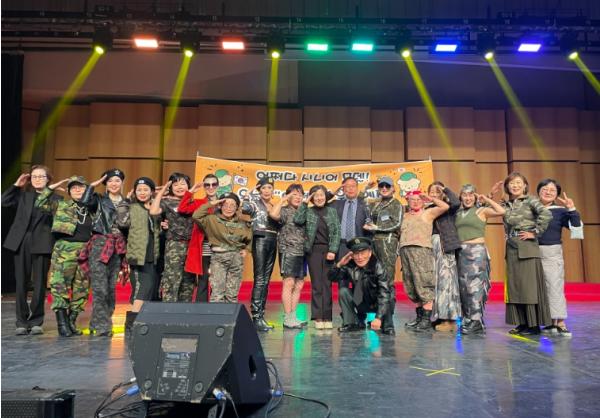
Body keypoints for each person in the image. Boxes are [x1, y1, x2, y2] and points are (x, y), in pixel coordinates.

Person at [2, 166, 60, 336]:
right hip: (22, 241)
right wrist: (16, 185)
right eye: (34, 176)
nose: (37, 179)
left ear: (48, 179)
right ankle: (21, 321)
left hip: (42, 241)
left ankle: (36, 321)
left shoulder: (55, 198)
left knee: (40, 283)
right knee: (21, 282)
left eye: (41, 176)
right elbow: (3, 201)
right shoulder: (23, 196)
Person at [36, 175, 94, 337]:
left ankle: (71, 321)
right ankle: (62, 323)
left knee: (82, 288)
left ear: (87, 190)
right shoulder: (61, 205)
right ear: (68, 191)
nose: (77, 189)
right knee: (60, 285)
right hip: (64, 249)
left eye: (81, 187)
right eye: (73, 187)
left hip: (86, 250)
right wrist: (51, 187)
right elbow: (39, 203)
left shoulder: (92, 208)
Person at [77, 169, 128, 337]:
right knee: (100, 289)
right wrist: (91, 187)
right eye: (110, 181)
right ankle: (102, 327)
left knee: (111, 290)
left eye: (117, 180)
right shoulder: (98, 199)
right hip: (100, 245)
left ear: (122, 183)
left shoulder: (126, 202)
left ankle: (97, 323)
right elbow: (83, 203)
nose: (114, 184)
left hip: (118, 247)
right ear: (105, 184)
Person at [500, 172, 552, 335]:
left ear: (524, 186)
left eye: (518, 183)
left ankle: (533, 324)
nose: (514, 186)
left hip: (527, 248)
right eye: (511, 183)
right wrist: (491, 194)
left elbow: (546, 214)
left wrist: (535, 232)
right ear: (507, 186)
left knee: (528, 288)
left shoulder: (530, 200)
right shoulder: (506, 204)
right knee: (516, 288)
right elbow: (485, 207)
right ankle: (522, 323)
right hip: (512, 248)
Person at [454, 184, 505, 335]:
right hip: (461, 252)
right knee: (464, 287)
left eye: (471, 195)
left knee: (475, 286)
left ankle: (476, 321)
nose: (468, 198)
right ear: (461, 197)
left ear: (475, 196)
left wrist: (487, 199)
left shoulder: (481, 211)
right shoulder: (459, 212)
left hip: (476, 252)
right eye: (465, 195)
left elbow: (501, 211)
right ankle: (470, 318)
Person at [536, 179, 583, 337]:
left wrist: (572, 209)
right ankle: (549, 323)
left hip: (551, 252)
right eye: (545, 189)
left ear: (556, 195)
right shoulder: (531, 208)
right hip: (531, 252)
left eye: (552, 190)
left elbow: (576, 230)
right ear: (538, 191)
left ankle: (560, 322)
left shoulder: (560, 211)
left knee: (554, 287)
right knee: (538, 289)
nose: (548, 192)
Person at [399, 191, 449, 332]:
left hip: (421, 251)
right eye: (412, 199)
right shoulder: (404, 216)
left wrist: (430, 198)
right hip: (405, 251)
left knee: (424, 284)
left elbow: (445, 207)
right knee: (412, 285)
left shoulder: (428, 213)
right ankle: (420, 318)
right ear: (408, 201)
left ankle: (426, 320)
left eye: (418, 199)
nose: (415, 202)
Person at [116, 177, 160, 334]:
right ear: (134, 192)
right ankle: (131, 325)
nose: (142, 192)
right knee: (142, 287)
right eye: (139, 190)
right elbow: (122, 223)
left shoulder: (155, 207)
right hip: (137, 255)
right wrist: (125, 201)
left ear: (151, 191)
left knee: (148, 289)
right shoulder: (132, 207)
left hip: (152, 255)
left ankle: (140, 324)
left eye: (145, 189)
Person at [293, 185, 341, 330]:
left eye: (321, 195)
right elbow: (297, 220)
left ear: (326, 196)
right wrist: (304, 203)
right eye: (316, 195)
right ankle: (318, 317)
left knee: (327, 284)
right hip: (313, 251)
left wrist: (333, 250)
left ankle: (327, 317)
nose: (319, 198)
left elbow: (336, 232)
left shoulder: (332, 211)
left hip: (328, 251)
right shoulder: (308, 211)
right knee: (317, 285)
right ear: (312, 197)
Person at [193, 193, 252, 303]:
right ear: (220, 206)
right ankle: (217, 315)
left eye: (232, 205)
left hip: (236, 259)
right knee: (217, 293)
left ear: (237, 207)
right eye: (225, 205)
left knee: (232, 295)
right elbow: (196, 215)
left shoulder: (242, 223)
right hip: (218, 259)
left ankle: (230, 315)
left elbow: (250, 238)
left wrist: (247, 249)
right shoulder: (211, 219)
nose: (229, 208)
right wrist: (212, 203)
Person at [329, 237, 395, 335]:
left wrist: (378, 318)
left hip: (377, 304)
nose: (360, 257)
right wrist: (339, 264)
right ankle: (352, 323)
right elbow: (332, 278)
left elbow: (384, 293)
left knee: (390, 294)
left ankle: (387, 325)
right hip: (360, 302)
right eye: (356, 254)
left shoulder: (378, 266)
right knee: (343, 291)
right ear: (352, 255)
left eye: (363, 253)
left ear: (370, 253)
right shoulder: (350, 266)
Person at [362, 176, 403, 333]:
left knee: (387, 282)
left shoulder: (396, 204)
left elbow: (397, 224)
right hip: (374, 244)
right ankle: (379, 316)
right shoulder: (377, 203)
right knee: (375, 281)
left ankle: (388, 322)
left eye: (387, 186)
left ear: (393, 189)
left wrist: (377, 228)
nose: (384, 188)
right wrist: (366, 188)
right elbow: (361, 202)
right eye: (381, 186)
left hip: (388, 244)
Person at [242, 177, 280, 331]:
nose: (267, 191)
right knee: (259, 279)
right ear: (259, 190)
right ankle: (256, 316)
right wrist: (249, 193)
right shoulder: (254, 203)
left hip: (273, 239)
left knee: (266, 280)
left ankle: (261, 316)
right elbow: (244, 208)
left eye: (269, 187)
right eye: (263, 188)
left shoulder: (274, 205)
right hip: (260, 238)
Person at [150, 173, 195, 302]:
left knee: (188, 282)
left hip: (192, 246)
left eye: (183, 184)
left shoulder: (193, 202)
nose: (179, 187)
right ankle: (168, 309)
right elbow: (153, 211)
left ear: (188, 186)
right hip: (175, 245)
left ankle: (184, 311)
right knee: (172, 279)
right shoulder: (167, 202)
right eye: (175, 185)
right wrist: (163, 190)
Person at [268, 184, 308, 329]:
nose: (297, 197)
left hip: (303, 252)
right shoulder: (284, 210)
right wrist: (283, 199)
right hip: (288, 250)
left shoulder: (304, 211)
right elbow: (273, 215)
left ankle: (293, 316)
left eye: (300, 195)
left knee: (299, 285)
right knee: (289, 283)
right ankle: (287, 318)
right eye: (294, 194)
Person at [426, 181, 462, 332]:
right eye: (432, 192)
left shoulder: (449, 207)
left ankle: (450, 319)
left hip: (445, 246)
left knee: (448, 282)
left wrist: (445, 188)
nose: (434, 194)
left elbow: (456, 202)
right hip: (432, 247)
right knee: (437, 282)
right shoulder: (428, 209)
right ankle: (440, 316)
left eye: (437, 191)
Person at [177, 174, 219, 302]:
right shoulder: (199, 202)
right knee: (203, 279)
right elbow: (182, 208)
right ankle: (202, 309)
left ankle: (217, 309)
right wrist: (190, 192)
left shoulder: (224, 202)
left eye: (213, 184)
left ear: (218, 186)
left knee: (218, 281)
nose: (210, 187)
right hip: (204, 247)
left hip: (220, 247)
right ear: (204, 187)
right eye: (207, 185)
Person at [331, 177, 369, 258]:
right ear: (343, 189)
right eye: (348, 186)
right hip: (341, 246)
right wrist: (332, 193)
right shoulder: (336, 204)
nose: (351, 188)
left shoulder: (365, 205)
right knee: (341, 266)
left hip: (359, 245)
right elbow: (321, 202)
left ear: (357, 188)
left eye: (353, 186)